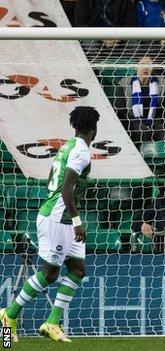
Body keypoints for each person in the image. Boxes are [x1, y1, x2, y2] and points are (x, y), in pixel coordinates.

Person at [1, 106, 100, 343]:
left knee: (77, 270)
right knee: (49, 274)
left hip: (61, 217)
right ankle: (8, 315)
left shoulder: (69, 146)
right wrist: (77, 221)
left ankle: (52, 323)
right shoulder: (81, 151)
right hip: (58, 218)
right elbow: (66, 188)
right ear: (94, 129)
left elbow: (52, 182)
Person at [115, 55, 165, 143]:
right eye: (142, 64)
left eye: (149, 65)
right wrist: (140, 123)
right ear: (136, 67)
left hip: (155, 120)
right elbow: (121, 109)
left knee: (164, 134)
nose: (145, 68)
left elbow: (163, 109)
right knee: (142, 133)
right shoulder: (124, 83)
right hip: (132, 119)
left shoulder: (163, 84)